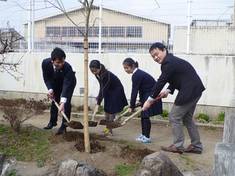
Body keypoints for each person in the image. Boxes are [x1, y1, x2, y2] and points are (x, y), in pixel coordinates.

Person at [143, 42, 205, 154]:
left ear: (164, 50)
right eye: (153, 56)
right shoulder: (171, 61)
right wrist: (168, 90)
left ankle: (178, 146)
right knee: (187, 119)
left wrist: (150, 99)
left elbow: (161, 81)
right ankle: (196, 146)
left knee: (174, 117)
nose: (156, 58)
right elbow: (177, 78)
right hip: (195, 90)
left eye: (157, 54)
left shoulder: (169, 63)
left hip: (189, 92)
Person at [123, 58, 162, 143]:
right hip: (146, 95)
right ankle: (144, 135)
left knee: (145, 116)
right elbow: (141, 89)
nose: (126, 70)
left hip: (151, 95)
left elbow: (134, 91)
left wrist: (132, 106)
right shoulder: (138, 73)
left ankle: (147, 137)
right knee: (143, 116)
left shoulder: (137, 75)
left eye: (127, 68)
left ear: (132, 66)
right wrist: (140, 101)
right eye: (124, 68)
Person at [42, 47, 76, 135]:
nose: (61, 64)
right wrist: (50, 89)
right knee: (54, 100)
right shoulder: (45, 63)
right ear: (52, 61)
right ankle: (52, 122)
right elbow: (46, 78)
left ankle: (64, 126)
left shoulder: (67, 67)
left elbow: (66, 85)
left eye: (62, 62)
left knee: (66, 103)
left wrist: (63, 102)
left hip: (69, 83)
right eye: (58, 62)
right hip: (55, 82)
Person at [89, 60, 128, 135]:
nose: (94, 73)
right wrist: (99, 96)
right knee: (106, 109)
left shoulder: (106, 75)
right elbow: (102, 86)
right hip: (109, 90)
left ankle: (110, 130)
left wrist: (98, 103)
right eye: (92, 71)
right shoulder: (97, 74)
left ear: (99, 67)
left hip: (116, 91)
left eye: (95, 70)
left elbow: (104, 88)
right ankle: (108, 127)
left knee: (112, 110)